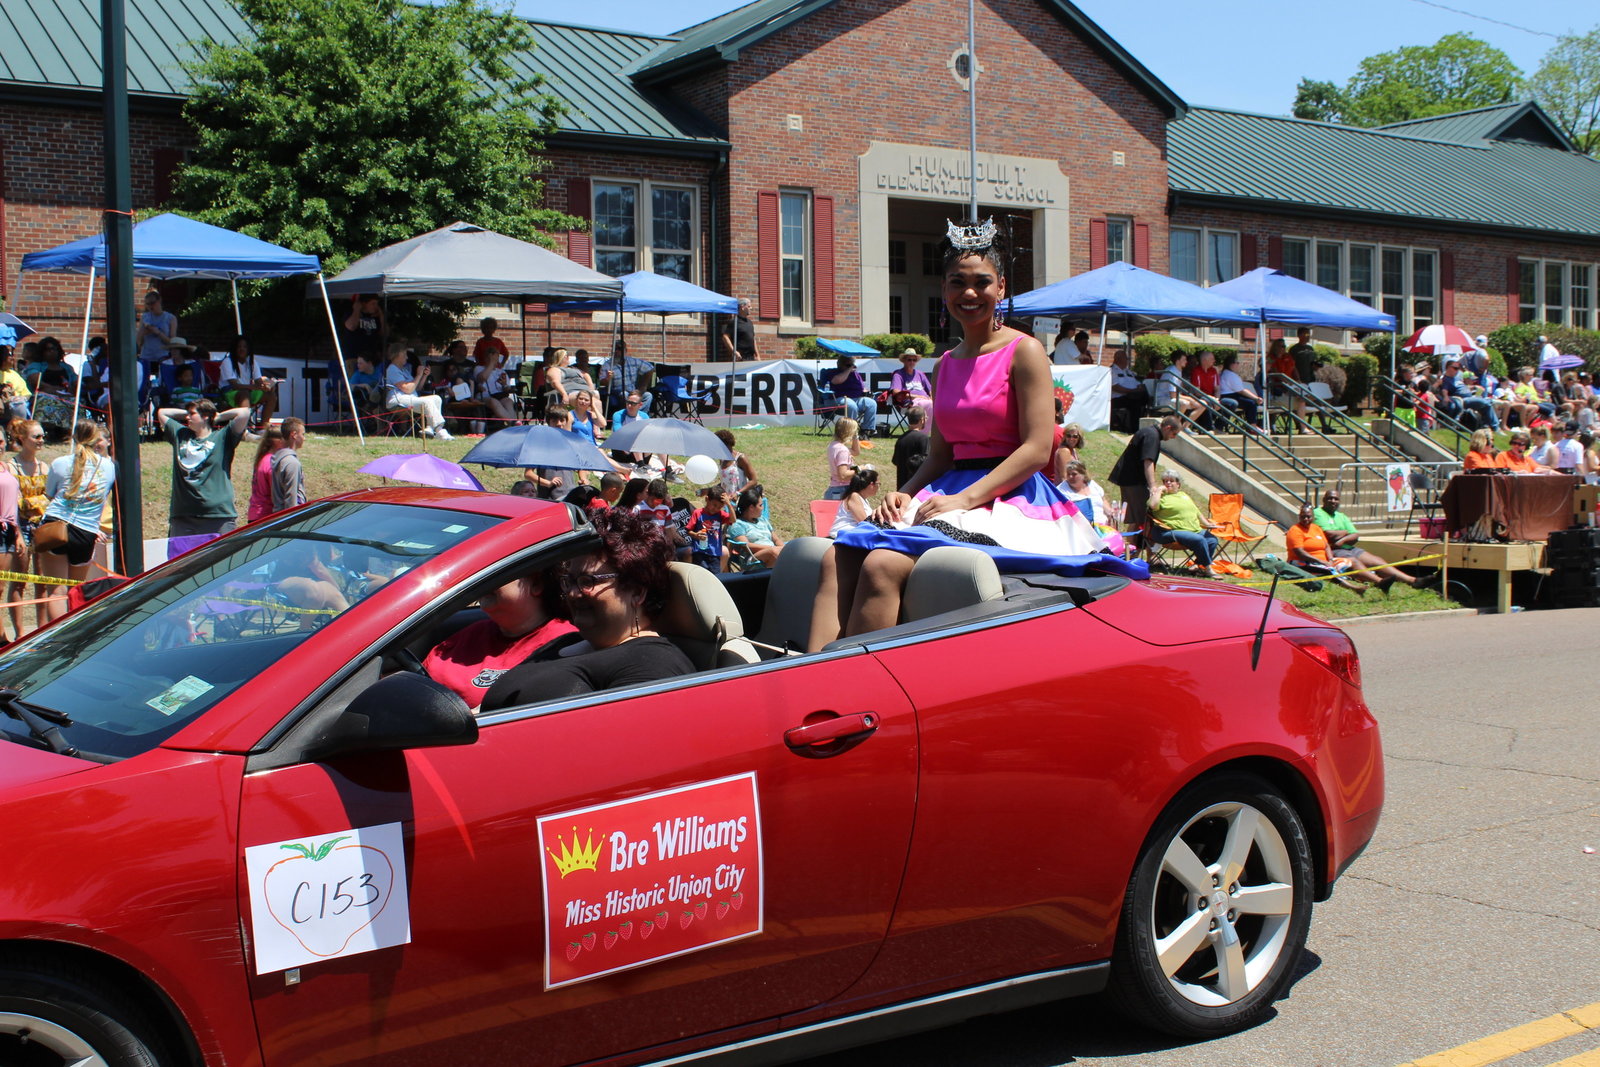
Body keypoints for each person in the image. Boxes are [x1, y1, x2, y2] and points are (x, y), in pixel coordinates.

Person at [809, 220, 1130, 650]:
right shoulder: (944, 365)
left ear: (1001, 289)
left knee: (881, 565)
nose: (970, 293)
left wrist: (962, 500)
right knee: (839, 554)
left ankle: (861, 691)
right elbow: (940, 455)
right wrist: (903, 493)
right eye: (958, 282)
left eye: (982, 282)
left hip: (1008, 496)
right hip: (949, 487)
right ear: (944, 291)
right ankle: (809, 683)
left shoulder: (1025, 351)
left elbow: (1037, 450)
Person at [481, 508, 695, 709]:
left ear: (638, 592)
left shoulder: (652, 665)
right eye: (570, 581)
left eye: (588, 581)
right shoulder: (566, 642)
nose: (573, 593)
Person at [423, 568, 577, 711]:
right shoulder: (470, 634)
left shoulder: (564, 645)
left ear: (536, 584)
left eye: (497, 572)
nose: (483, 580)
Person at [38, 420, 115, 623]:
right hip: (86, 532)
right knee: (75, 590)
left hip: (56, 526)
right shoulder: (108, 466)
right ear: (97, 439)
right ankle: (74, 637)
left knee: (56, 592)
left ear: (74, 437)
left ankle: (58, 640)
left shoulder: (61, 463)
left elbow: (50, 494)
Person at [158, 399, 252, 537]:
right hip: (183, 516)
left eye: (192, 414)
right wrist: (190, 410)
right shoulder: (180, 435)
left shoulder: (222, 437)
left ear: (205, 416)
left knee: (221, 558)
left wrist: (218, 416)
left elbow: (244, 413)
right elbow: (162, 413)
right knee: (183, 559)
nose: (187, 417)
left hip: (218, 516)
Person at [1313, 487, 1427, 594]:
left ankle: (1413, 581)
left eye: (1336, 499)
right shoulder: (1318, 513)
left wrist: (1342, 539)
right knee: (1355, 562)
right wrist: (1346, 533)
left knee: (1378, 561)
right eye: (1330, 498)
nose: (1333, 501)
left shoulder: (1341, 516)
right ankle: (1380, 582)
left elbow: (1355, 535)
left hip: (1347, 547)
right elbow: (1328, 535)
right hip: (1334, 550)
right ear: (1324, 500)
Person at [7, 418, 47, 636]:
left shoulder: (44, 466)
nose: (41, 441)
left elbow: (50, 497)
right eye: (37, 436)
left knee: (42, 582)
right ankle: (20, 633)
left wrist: (35, 502)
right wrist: (38, 501)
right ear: (22, 439)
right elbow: (16, 502)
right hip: (20, 527)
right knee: (19, 581)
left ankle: (42, 631)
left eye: (42, 436)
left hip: (42, 527)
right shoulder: (11, 467)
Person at [1109, 414, 1181, 533]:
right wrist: (1152, 485)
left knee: (1137, 519)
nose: (1173, 437)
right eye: (1174, 434)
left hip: (1130, 480)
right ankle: (1131, 549)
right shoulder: (1152, 436)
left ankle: (1131, 548)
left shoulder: (1148, 432)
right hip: (1134, 482)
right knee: (1140, 519)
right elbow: (1148, 461)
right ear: (1168, 428)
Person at [1285, 500, 1364, 594]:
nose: (1306, 519)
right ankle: (1353, 588)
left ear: (1313, 517)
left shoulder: (1316, 528)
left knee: (1347, 562)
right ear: (1299, 517)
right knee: (1330, 570)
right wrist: (1322, 562)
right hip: (1301, 562)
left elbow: (1326, 546)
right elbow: (1300, 553)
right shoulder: (1295, 530)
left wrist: (1330, 559)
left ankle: (1368, 580)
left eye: (1308, 516)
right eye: (1303, 517)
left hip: (1323, 561)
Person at [1148, 470, 1220, 572]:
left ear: (1178, 484)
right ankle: (1208, 569)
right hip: (1167, 532)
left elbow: (1197, 511)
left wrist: (1207, 524)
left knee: (1212, 540)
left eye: (1171, 481)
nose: (1168, 483)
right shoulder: (1160, 497)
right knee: (1199, 540)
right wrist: (1159, 490)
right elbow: (1152, 506)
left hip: (1192, 530)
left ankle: (1198, 565)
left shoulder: (1184, 495)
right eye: (1165, 481)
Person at [384, 344, 451, 440]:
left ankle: (430, 428)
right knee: (426, 402)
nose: (407, 358)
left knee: (437, 398)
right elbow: (407, 389)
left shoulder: (404, 370)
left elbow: (417, 388)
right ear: (398, 355)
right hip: (397, 401)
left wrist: (424, 375)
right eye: (405, 355)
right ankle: (440, 430)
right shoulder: (392, 369)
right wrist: (418, 375)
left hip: (410, 399)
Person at [219, 336, 278, 425]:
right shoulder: (227, 361)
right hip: (229, 393)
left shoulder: (252, 362)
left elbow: (258, 381)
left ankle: (263, 427)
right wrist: (254, 387)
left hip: (247, 390)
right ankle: (244, 428)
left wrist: (267, 385)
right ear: (234, 348)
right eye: (239, 346)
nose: (242, 349)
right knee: (244, 394)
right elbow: (234, 385)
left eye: (245, 347)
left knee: (271, 395)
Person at [729, 485, 783, 567]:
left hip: (774, 552)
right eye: (760, 505)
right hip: (753, 558)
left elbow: (776, 539)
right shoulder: (738, 525)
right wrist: (770, 548)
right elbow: (747, 546)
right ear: (751, 507)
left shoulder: (762, 520)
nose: (762, 508)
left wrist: (784, 548)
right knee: (773, 553)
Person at [825, 356, 878, 437]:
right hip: (838, 399)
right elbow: (836, 381)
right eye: (848, 365)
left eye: (852, 365)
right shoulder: (833, 372)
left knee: (871, 403)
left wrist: (864, 390)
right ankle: (851, 431)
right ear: (840, 364)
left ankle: (866, 430)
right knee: (851, 405)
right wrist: (848, 370)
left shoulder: (856, 374)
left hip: (856, 398)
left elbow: (861, 387)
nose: (852, 367)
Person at [687, 486, 734, 571]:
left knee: (715, 577)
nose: (715, 509)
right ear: (707, 499)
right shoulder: (698, 513)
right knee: (702, 575)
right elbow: (688, 530)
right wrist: (696, 535)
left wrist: (729, 505)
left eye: (719, 507)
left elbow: (733, 520)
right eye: (714, 505)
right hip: (700, 552)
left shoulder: (720, 514)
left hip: (715, 553)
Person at [245, 426, 286, 524]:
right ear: (279, 441)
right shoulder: (271, 462)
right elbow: (276, 492)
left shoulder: (263, 458)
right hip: (265, 515)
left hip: (255, 513)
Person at [599, 342, 655, 413]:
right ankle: (628, 415)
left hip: (633, 392)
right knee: (624, 394)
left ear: (625, 350)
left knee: (648, 395)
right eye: (615, 349)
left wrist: (643, 385)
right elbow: (601, 382)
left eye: (619, 349)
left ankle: (639, 415)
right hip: (617, 393)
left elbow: (650, 368)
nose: (617, 351)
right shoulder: (607, 365)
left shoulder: (633, 361)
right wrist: (608, 378)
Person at [271, 418, 308, 515]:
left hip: (277, 514)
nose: (304, 438)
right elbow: (291, 498)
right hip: (289, 518)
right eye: (303, 434)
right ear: (294, 435)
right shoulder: (292, 463)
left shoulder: (278, 458)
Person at [830, 467, 880, 536]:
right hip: (841, 536)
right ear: (871, 485)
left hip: (852, 536)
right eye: (878, 484)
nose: (878, 487)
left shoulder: (864, 500)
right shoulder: (854, 496)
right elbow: (864, 522)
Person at [1058, 460, 1110, 525]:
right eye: (1068, 474)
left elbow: (1103, 501)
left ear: (1083, 474)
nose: (1070, 477)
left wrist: (1111, 513)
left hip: (1104, 527)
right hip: (1082, 529)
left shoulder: (1092, 485)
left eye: (1074, 474)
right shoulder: (1062, 490)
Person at [1217, 351, 1261, 427]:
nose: (1238, 364)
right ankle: (1252, 426)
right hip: (1229, 396)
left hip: (1228, 395)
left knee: (1251, 402)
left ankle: (1253, 425)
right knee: (1251, 403)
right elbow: (1241, 391)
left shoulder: (1226, 373)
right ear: (1231, 364)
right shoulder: (1230, 375)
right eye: (1236, 363)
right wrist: (1256, 398)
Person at [890, 348, 934, 424]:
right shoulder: (898, 374)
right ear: (904, 361)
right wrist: (917, 397)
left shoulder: (920, 374)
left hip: (925, 401)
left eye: (914, 360)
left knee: (937, 404)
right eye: (909, 360)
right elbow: (896, 392)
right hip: (909, 403)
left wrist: (932, 397)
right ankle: (922, 432)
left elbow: (931, 390)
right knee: (929, 404)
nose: (912, 362)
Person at [0, 453, 18, 640]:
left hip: (9, 531)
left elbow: (14, 505)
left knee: (1, 587)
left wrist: (18, 533)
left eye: (1, 441)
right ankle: (2, 638)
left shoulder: (6, 467)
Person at [823, 417, 863, 500]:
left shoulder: (833, 445)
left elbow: (856, 452)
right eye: (854, 431)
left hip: (835, 488)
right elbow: (843, 475)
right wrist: (860, 469)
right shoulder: (843, 450)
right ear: (849, 432)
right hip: (842, 490)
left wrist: (855, 437)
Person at [891, 405, 929, 490]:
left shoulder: (901, 438)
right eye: (926, 417)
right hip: (917, 486)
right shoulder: (923, 438)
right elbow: (926, 462)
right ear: (922, 420)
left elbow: (895, 461)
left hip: (902, 486)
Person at [1107, 348, 1146, 433]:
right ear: (1118, 359)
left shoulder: (1128, 371)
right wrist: (1130, 391)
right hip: (1118, 398)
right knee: (1135, 403)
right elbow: (1115, 386)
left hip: (1132, 395)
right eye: (1125, 358)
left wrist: (1140, 387)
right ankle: (1134, 429)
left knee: (1145, 398)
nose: (1127, 360)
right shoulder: (1112, 371)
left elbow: (1137, 383)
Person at [342, 294, 387, 364]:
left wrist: (381, 316)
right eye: (373, 303)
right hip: (354, 357)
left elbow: (385, 334)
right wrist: (357, 309)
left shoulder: (376, 317)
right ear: (364, 303)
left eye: (377, 304)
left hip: (372, 358)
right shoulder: (351, 313)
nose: (376, 307)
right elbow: (351, 326)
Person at [136, 290, 178, 364]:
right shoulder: (145, 317)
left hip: (163, 357)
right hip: (146, 357)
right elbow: (139, 342)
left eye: (152, 303)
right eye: (148, 304)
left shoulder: (170, 318)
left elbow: (172, 343)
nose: (150, 306)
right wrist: (143, 332)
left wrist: (158, 333)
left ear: (159, 301)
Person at [713, 428, 758, 497]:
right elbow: (726, 482)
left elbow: (754, 481)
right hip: (727, 501)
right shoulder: (722, 460)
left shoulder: (740, 458)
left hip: (740, 500)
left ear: (727, 444)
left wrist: (738, 493)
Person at [0, 348, 31, 422]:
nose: (12, 358)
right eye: (9, 355)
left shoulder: (14, 374)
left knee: (19, 404)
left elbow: (27, 393)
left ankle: (19, 427)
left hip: (17, 403)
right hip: (3, 402)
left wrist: (22, 398)